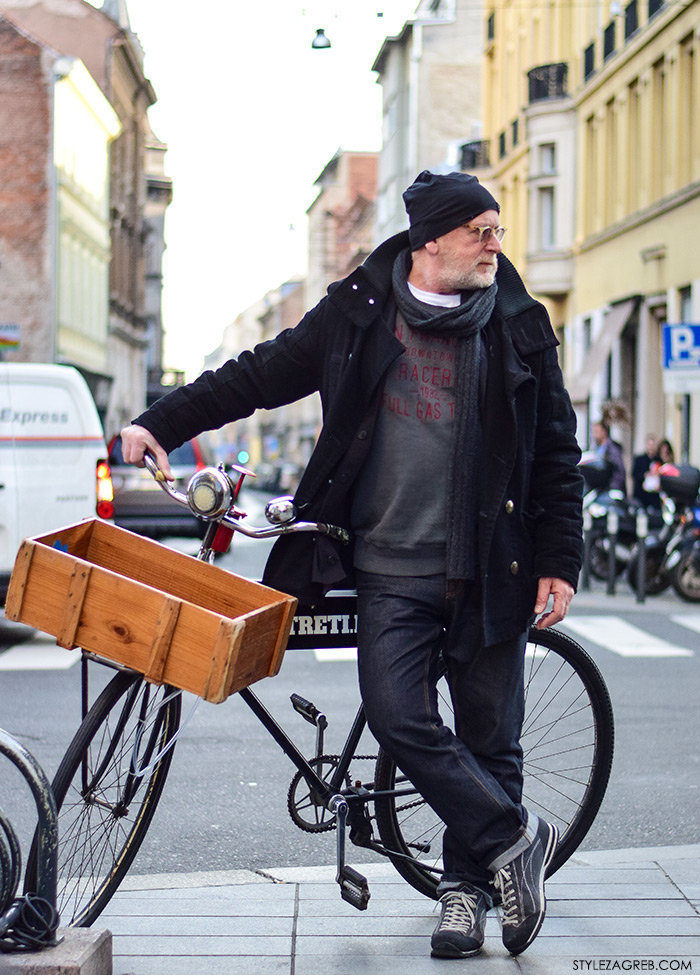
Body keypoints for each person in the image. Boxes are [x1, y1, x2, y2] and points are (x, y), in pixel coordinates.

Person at [121, 170, 583, 959]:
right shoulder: (359, 311)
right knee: (400, 715)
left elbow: (556, 455)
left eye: (498, 230)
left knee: (489, 737)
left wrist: (559, 560)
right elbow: (258, 374)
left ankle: (467, 895)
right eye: (481, 232)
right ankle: (516, 840)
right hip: (389, 567)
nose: (495, 245)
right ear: (430, 239)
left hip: (491, 565)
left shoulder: (517, 323)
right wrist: (159, 420)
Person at [592, 420, 627, 494]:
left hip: (610, 489)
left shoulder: (612, 449)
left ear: (604, 432)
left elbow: (619, 470)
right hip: (599, 489)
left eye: (596, 431)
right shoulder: (596, 448)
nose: (594, 435)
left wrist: (614, 487)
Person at [632, 435, 660, 509]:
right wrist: (645, 475)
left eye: (653, 445)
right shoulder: (640, 459)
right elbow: (634, 474)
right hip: (641, 496)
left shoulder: (658, 460)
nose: (651, 447)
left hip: (654, 497)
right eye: (649, 445)